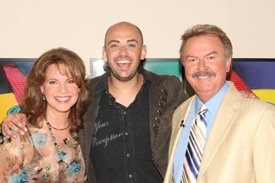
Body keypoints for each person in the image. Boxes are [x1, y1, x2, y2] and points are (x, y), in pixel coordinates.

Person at [1, 22, 188, 182]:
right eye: (114, 45)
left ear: (143, 51)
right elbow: (46, 108)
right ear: (104, 53)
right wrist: (13, 118)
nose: (123, 52)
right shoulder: (88, 95)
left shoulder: (168, 89)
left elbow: (195, 123)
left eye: (131, 44)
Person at [164, 24, 275, 183]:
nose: (201, 67)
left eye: (211, 57)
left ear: (228, 63)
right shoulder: (179, 114)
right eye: (192, 59)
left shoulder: (261, 116)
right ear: (184, 66)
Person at [0, 48, 90, 182]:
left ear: (79, 88)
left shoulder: (83, 131)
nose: (63, 90)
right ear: (41, 88)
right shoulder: (18, 133)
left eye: (70, 81)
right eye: (53, 82)